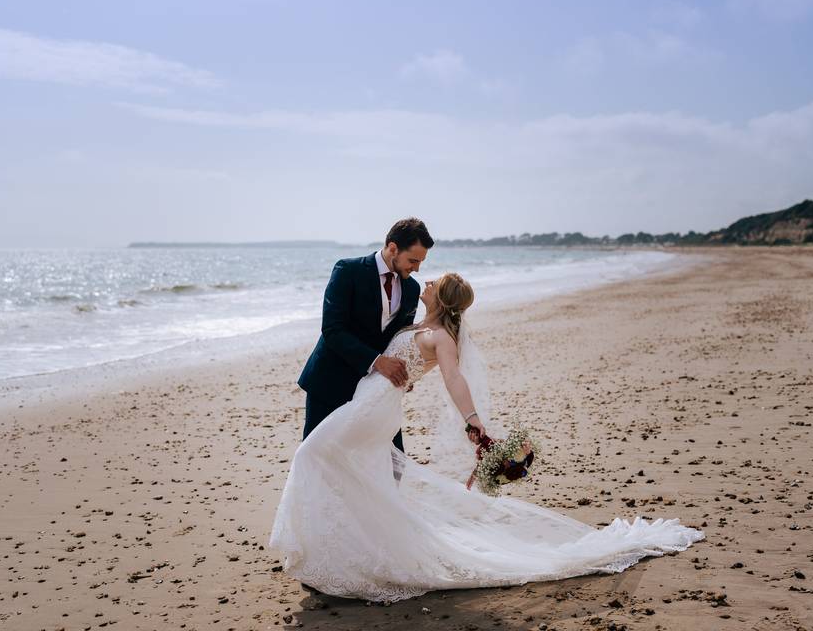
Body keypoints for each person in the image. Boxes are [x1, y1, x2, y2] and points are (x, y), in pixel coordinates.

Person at [269, 273, 705, 603]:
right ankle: (342, 551)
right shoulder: (420, 323)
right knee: (356, 474)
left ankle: (339, 551)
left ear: (440, 297)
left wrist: (474, 421)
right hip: (367, 401)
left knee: (312, 454)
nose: (427, 281)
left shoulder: (440, 337)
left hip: (375, 409)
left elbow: (455, 380)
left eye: (434, 281)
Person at [297, 217, 434, 454]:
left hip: (376, 390)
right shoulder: (348, 271)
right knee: (316, 458)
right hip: (330, 382)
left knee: (393, 462)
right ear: (392, 247)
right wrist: (379, 362)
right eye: (413, 260)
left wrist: (404, 372)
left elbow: (398, 338)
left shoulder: (411, 289)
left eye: (420, 262)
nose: (416, 268)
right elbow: (332, 329)